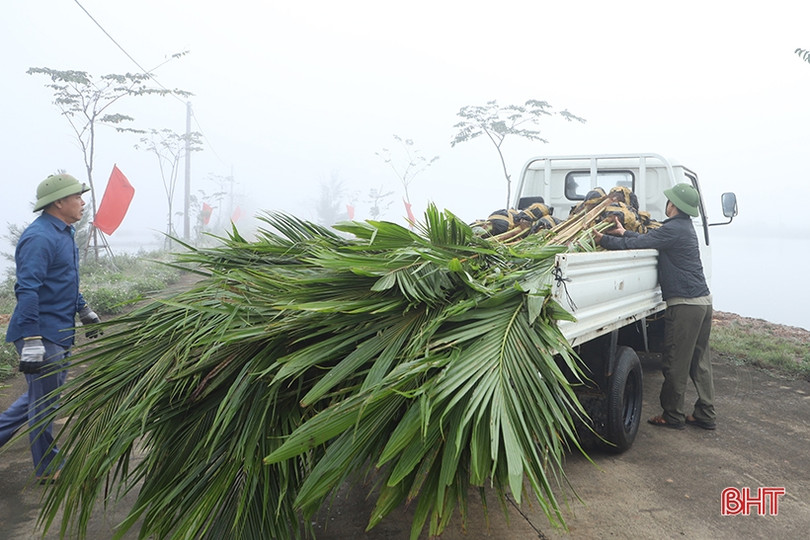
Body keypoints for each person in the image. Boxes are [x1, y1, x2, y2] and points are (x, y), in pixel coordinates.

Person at [0, 173, 101, 482]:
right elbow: (27, 289)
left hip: (59, 330)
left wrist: (83, 309)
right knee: (44, 404)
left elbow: (63, 281)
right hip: (41, 333)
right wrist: (31, 339)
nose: (83, 202)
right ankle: (48, 466)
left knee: (37, 399)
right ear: (59, 202)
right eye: (77, 197)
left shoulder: (64, 233)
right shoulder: (40, 237)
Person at [593, 183, 716, 431]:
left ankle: (672, 416)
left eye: (669, 201)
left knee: (675, 362)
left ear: (674, 205)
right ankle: (705, 413)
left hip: (685, 306)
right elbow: (646, 238)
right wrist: (622, 232)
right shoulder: (684, 228)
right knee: (698, 361)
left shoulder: (674, 228)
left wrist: (603, 239)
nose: (666, 204)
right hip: (703, 301)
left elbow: (640, 244)